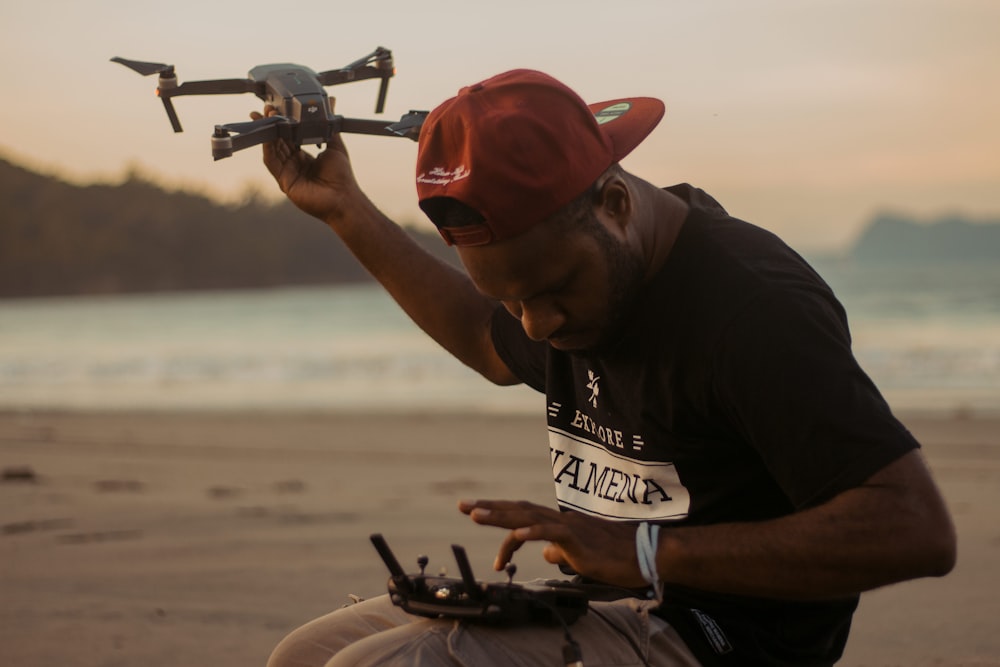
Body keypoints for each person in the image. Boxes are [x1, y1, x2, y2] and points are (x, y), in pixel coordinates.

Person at [256, 69, 956, 666]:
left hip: (719, 640)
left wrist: (647, 553)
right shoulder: (575, 284)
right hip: (603, 603)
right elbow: (482, 334)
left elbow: (915, 525)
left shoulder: (752, 312)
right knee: (306, 657)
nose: (538, 325)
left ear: (616, 203)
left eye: (553, 289)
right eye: (514, 298)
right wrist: (345, 210)